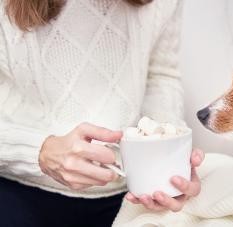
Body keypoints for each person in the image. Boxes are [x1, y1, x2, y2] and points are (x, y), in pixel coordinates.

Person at [0, 0, 204, 226]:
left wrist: (167, 160)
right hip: (16, 191)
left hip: (129, 197)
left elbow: (160, 75)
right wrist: (37, 150)